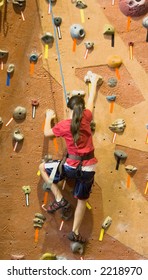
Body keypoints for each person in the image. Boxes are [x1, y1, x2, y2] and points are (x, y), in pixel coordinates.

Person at [39, 72, 100, 243]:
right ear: (81, 110)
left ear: (68, 109)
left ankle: (59, 199)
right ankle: (75, 231)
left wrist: (49, 118)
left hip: (70, 167)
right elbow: (91, 100)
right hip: (88, 168)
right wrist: (93, 82)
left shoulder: (64, 125)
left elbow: (46, 133)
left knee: (43, 168)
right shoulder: (87, 117)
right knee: (81, 200)